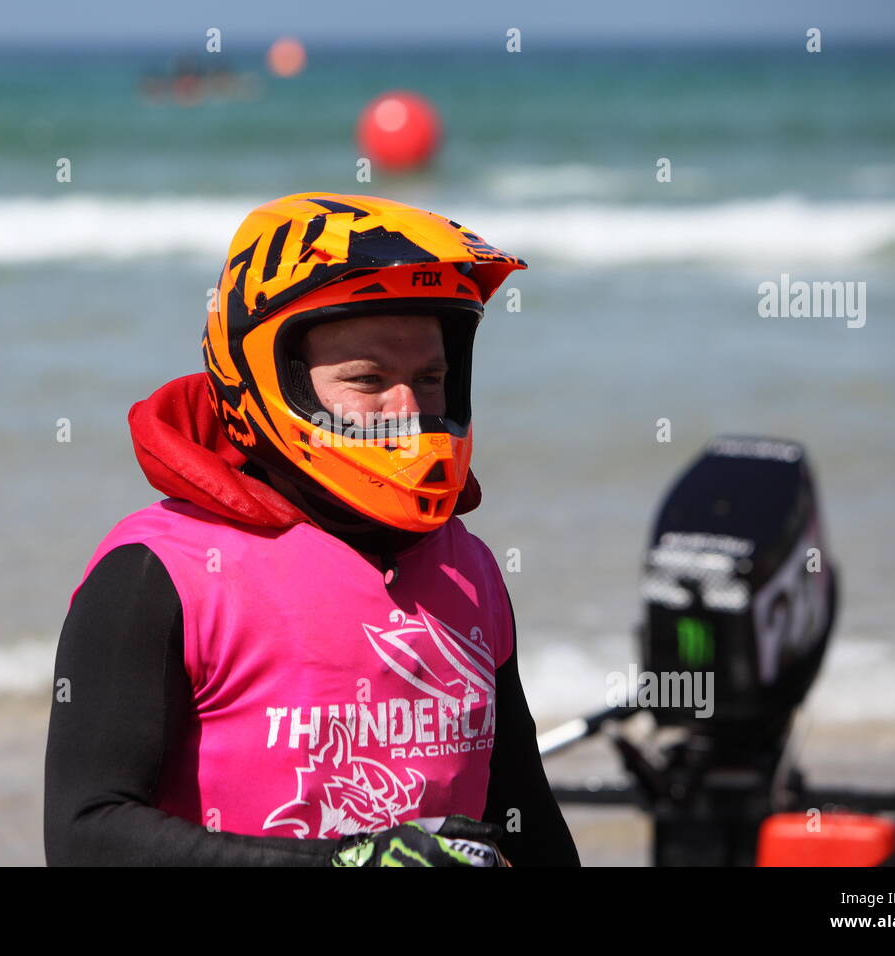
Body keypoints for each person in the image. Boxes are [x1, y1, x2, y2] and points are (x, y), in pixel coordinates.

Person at [44, 191, 580, 866]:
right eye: (367, 378)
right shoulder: (157, 573)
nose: (407, 409)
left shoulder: (465, 568)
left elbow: (523, 814)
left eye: (432, 377)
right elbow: (85, 836)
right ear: (267, 376)